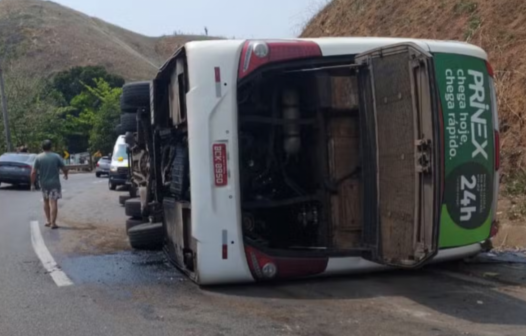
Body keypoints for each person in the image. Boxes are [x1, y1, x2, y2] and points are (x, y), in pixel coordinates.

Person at [31, 140, 68, 229]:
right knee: (54, 202)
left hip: (44, 184)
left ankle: (48, 220)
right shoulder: (56, 156)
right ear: (51, 147)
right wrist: (66, 175)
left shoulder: (38, 158)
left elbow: (33, 172)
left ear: (42, 147)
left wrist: (32, 184)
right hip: (54, 183)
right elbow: (64, 168)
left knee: (46, 201)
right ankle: (53, 223)